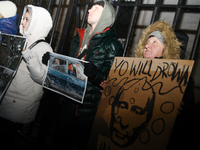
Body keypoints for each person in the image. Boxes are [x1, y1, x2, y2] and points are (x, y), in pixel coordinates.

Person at [100, 20, 195, 149]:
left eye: (155, 42)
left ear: (166, 49)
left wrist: (181, 111)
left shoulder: (182, 80)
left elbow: (189, 123)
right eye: (147, 41)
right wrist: (112, 91)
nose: (147, 45)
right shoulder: (131, 72)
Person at [53, 0, 123, 149]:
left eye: (95, 8)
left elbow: (112, 83)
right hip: (67, 102)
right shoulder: (78, 37)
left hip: (87, 111)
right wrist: (53, 63)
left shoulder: (112, 44)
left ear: (106, 15)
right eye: (90, 7)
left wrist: (95, 75)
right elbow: (68, 66)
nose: (89, 10)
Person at [0, 5, 53, 148]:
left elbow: (43, 79)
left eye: (27, 19)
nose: (22, 22)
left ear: (38, 22)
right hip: (7, 98)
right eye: (23, 18)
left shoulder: (44, 47)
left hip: (19, 103)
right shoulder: (22, 39)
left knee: (7, 137)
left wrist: (29, 57)